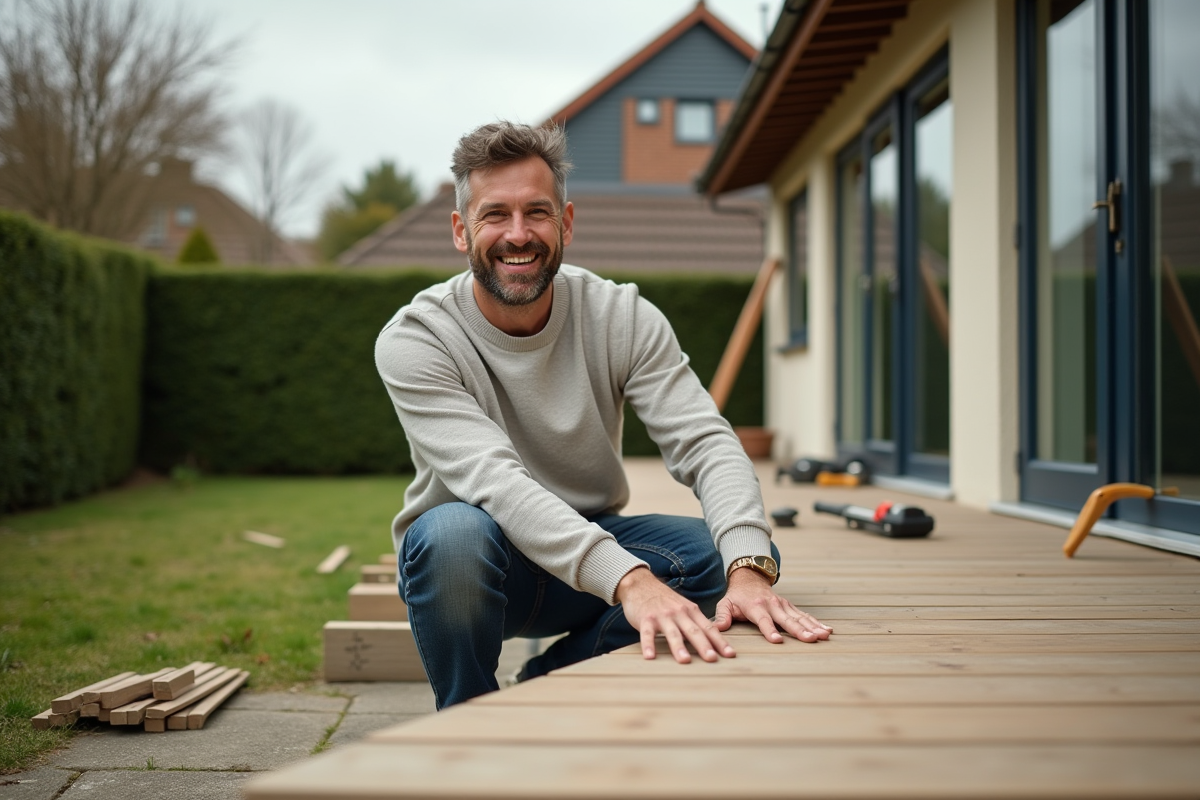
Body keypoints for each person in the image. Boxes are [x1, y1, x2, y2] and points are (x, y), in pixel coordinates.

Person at [374, 121, 831, 710]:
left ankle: (550, 681)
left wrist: (748, 570)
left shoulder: (622, 315)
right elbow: (495, 482)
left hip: (584, 559)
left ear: (565, 223)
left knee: (729, 552)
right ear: (462, 231)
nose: (518, 235)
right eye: (496, 215)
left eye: (537, 212)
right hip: (477, 572)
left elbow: (706, 442)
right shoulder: (418, 338)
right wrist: (633, 581)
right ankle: (469, 717)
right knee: (452, 533)